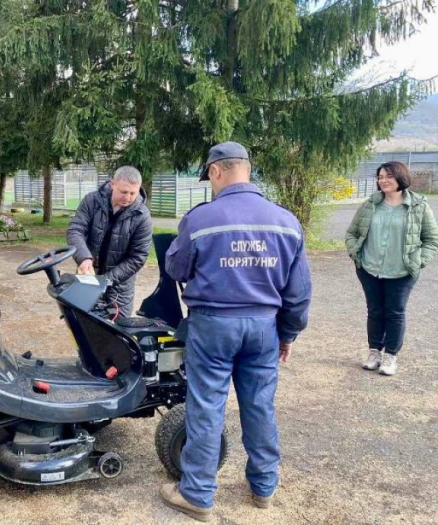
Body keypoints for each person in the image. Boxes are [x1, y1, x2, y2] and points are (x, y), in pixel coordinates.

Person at [160, 142, 312, 522]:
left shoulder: (201, 219)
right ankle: (263, 488)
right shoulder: (286, 221)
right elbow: (299, 291)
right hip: (263, 328)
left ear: (216, 172)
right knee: (260, 405)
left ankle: (196, 494)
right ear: (247, 169)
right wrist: (288, 334)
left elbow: (176, 269)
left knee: (207, 407)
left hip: (212, 326)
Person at [345, 161, 438, 376]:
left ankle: (390, 356)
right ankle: (374, 352)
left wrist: (419, 260)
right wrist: (355, 253)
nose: (383, 180)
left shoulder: (418, 205)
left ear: (400, 178)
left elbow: (431, 239)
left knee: (395, 312)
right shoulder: (371, 204)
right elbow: (351, 233)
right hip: (369, 269)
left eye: (388, 176)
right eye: (380, 177)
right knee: (375, 310)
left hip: (402, 271)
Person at [66, 166, 153, 317]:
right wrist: (84, 257)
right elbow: (75, 230)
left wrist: (106, 280)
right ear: (113, 184)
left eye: (133, 193)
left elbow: (138, 257)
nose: (128, 197)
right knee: (83, 326)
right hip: (88, 277)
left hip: (120, 288)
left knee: (116, 334)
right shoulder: (91, 201)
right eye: (123, 192)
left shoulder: (142, 216)